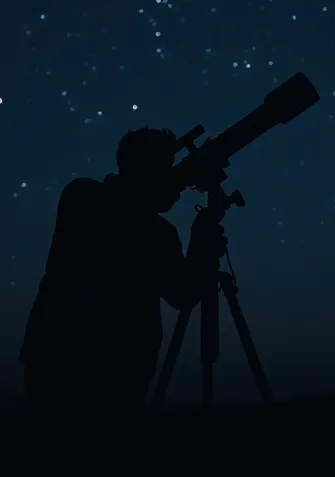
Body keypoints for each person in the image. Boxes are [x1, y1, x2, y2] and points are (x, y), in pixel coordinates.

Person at [19, 126, 229, 415]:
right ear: (144, 169)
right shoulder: (84, 196)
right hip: (64, 362)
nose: (178, 181)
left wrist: (202, 233)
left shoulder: (159, 231)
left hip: (124, 372)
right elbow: (125, 223)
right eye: (168, 168)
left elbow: (183, 294)